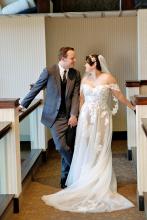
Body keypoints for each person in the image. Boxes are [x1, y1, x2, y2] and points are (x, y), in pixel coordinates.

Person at [41, 54, 135, 212]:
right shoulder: (84, 80)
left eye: (87, 64)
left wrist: (133, 107)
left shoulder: (108, 78)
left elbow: (118, 96)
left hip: (102, 119)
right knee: (87, 148)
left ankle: (100, 181)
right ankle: (86, 177)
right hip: (86, 119)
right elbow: (82, 99)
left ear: (94, 64)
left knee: (101, 147)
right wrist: (77, 116)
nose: (84, 66)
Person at [19, 47, 81, 189]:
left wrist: (73, 114)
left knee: (68, 147)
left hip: (70, 118)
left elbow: (76, 95)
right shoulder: (49, 71)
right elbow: (36, 88)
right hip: (55, 117)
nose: (75, 60)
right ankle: (80, 172)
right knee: (61, 147)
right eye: (72, 58)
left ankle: (65, 180)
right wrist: (23, 105)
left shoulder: (76, 74)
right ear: (63, 59)